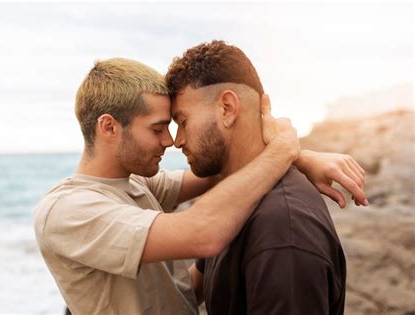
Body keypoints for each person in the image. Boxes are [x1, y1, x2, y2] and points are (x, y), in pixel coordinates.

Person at [34, 57, 366, 315]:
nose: (170, 141)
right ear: (109, 127)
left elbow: (219, 168)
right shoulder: (69, 211)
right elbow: (203, 232)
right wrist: (283, 149)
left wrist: (301, 157)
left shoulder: (137, 185)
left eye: (177, 125)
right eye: (157, 128)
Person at [165, 40, 360, 314]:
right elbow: (194, 288)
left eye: (182, 121)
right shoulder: (237, 199)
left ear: (227, 109)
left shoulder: (282, 231)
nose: (177, 140)